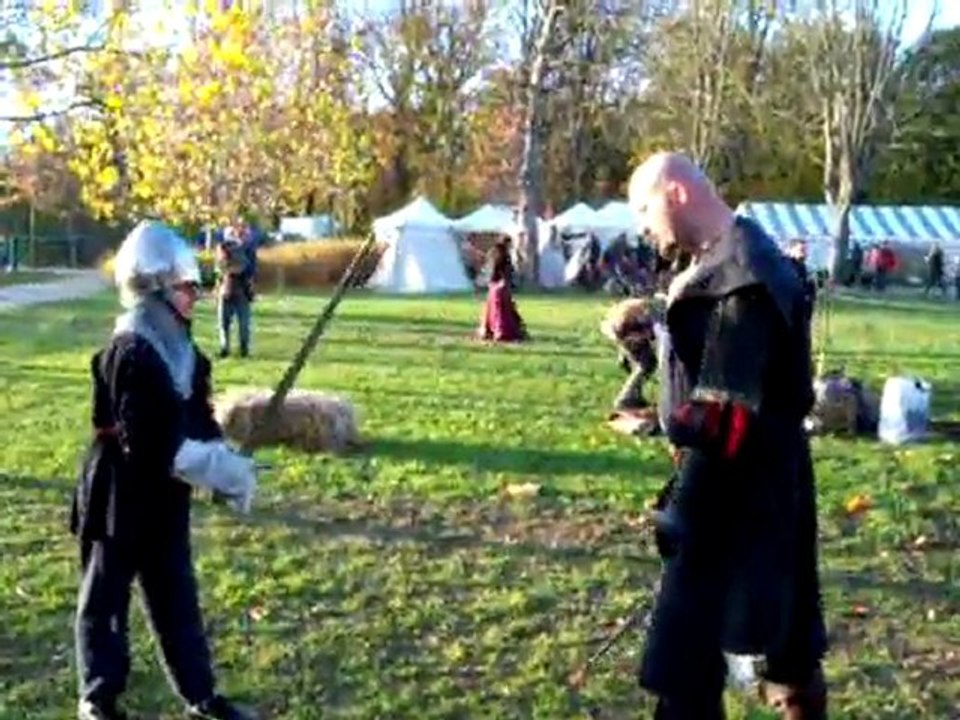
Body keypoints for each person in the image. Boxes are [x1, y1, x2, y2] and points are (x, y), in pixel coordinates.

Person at [627, 152, 827, 719]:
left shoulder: (743, 275)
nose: (644, 225)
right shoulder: (723, 261)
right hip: (748, 482)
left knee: (690, 658)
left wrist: (681, 510)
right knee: (777, 647)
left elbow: (730, 415)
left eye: (645, 207)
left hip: (737, 491)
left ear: (677, 193)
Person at [69, 220, 259, 720]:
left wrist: (225, 465)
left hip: (166, 495)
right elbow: (146, 443)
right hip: (118, 491)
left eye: (195, 286)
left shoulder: (188, 354)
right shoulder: (128, 349)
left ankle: (201, 695)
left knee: (176, 596)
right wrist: (209, 467)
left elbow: (197, 420)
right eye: (185, 287)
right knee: (105, 598)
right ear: (154, 287)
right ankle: (98, 698)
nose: (194, 296)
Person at [215, 224, 257, 359]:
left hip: (240, 290)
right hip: (228, 290)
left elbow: (244, 269)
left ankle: (241, 349)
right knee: (225, 322)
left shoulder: (247, 250)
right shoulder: (223, 248)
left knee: (240, 323)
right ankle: (226, 348)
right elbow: (221, 268)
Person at [477, 237, 528, 342]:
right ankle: (500, 331)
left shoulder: (493, 253)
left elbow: (490, 271)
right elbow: (505, 271)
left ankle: (489, 330)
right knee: (501, 312)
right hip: (500, 287)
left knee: (494, 310)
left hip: (493, 287)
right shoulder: (503, 255)